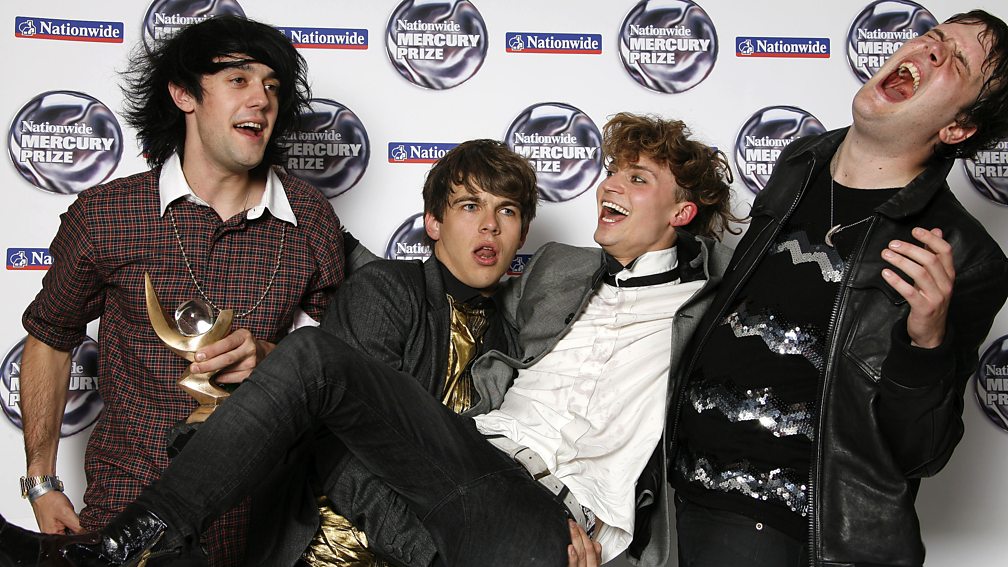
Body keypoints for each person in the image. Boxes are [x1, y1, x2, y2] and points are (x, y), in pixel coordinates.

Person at [0, 112, 738, 566]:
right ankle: (124, 543)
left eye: (637, 178)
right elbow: (380, 285)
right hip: (470, 465)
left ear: (682, 212)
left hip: (555, 522)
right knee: (315, 356)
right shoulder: (562, 273)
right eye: (611, 172)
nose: (608, 186)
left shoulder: (710, 306)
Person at [668, 10, 1008, 567]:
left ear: (958, 128)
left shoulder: (963, 255)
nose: (931, 49)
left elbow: (920, 453)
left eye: (958, 61)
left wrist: (926, 342)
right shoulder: (800, 163)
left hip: (772, 528)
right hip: (669, 497)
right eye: (934, 37)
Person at [13, 15, 345, 567]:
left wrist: (269, 358)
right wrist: (41, 482)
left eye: (272, 85)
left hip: (261, 522)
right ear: (183, 94)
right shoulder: (108, 214)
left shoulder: (312, 220)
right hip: (127, 510)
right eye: (238, 79)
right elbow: (50, 338)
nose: (261, 99)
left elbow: (334, 369)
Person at [248, 138, 542, 567]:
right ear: (433, 222)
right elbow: (340, 448)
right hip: (335, 549)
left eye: (507, 211)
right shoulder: (386, 291)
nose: (490, 226)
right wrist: (428, 556)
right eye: (470, 206)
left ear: (523, 234)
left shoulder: (512, 343)